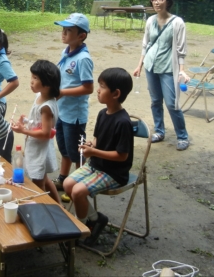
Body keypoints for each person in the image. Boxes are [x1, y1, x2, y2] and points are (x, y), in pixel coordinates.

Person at [63, 67, 134, 246]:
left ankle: (82, 228)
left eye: (102, 86)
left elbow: (121, 156)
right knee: (67, 184)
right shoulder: (103, 113)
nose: (98, 90)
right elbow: (97, 139)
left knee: (78, 191)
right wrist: (90, 145)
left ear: (116, 93)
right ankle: (95, 219)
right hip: (97, 165)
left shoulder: (123, 122)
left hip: (114, 172)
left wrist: (93, 152)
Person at [133, 0, 191, 151]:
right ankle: (159, 131)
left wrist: (182, 70)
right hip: (150, 65)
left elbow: (181, 49)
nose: (157, 2)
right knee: (155, 101)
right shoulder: (150, 20)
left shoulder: (177, 22)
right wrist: (139, 65)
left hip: (167, 68)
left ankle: (182, 136)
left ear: (168, 2)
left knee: (172, 103)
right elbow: (146, 45)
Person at [51, 13, 94, 200]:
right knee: (64, 148)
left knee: (78, 152)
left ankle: (78, 185)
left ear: (81, 36)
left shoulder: (84, 59)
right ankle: (63, 178)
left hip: (75, 115)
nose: (64, 33)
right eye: (63, 29)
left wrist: (63, 93)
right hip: (62, 111)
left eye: (69, 31)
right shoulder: (66, 52)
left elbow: (88, 87)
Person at [11, 60, 61, 203]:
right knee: (44, 177)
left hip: (40, 149)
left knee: (38, 185)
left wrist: (23, 131)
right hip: (37, 146)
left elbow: (45, 133)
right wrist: (26, 121)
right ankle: (59, 206)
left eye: (35, 78)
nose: (31, 81)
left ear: (47, 83)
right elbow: (38, 122)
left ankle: (44, 210)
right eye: (32, 77)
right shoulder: (40, 97)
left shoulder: (46, 106)